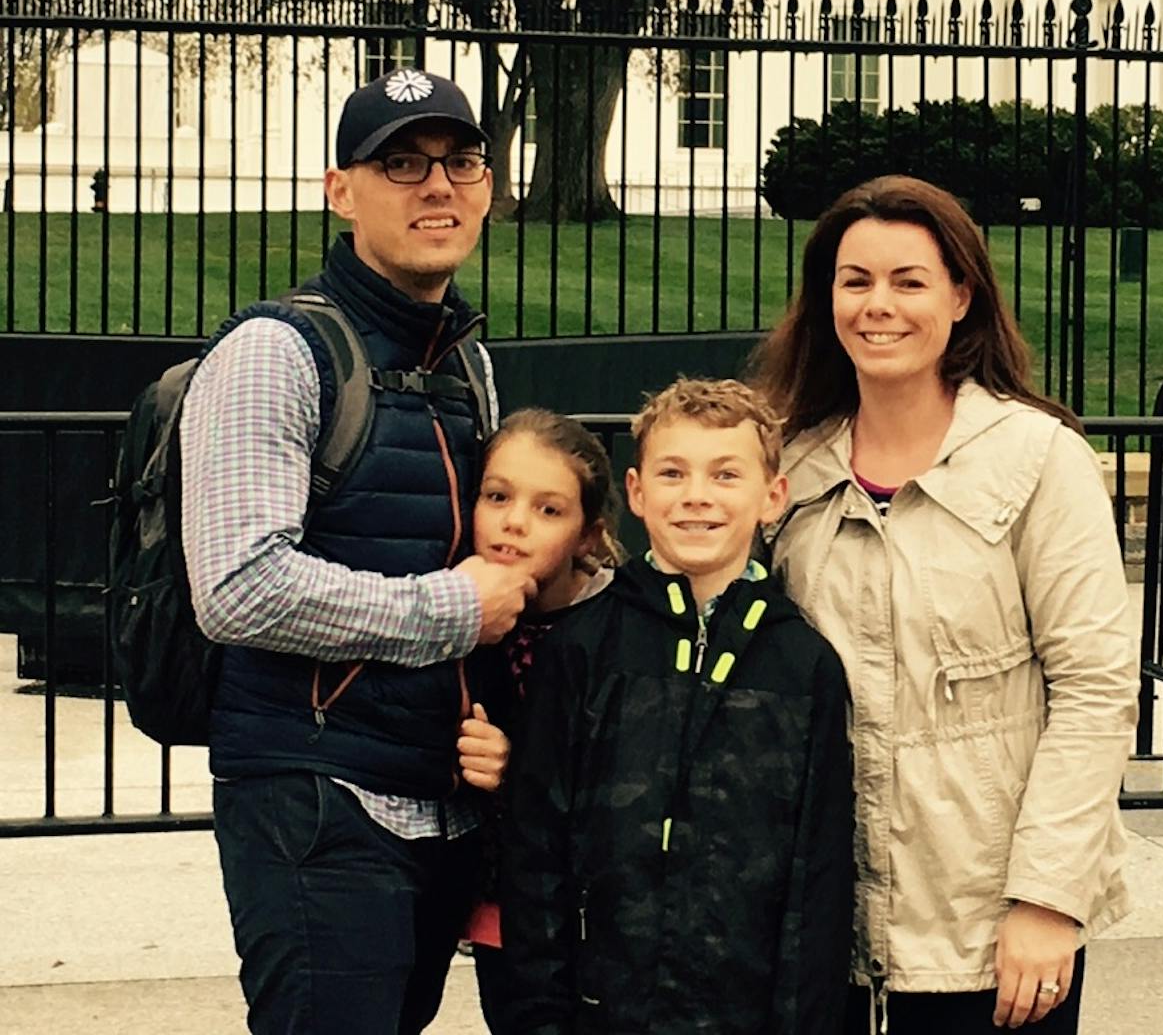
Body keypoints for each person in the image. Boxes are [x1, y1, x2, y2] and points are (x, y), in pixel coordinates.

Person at [179, 68, 538, 1035]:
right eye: (403, 165)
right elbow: (239, 587)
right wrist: (451, 612)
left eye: (462, 162)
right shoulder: (273, 353)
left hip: (438, 802)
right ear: (341, 191)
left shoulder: (467, 361)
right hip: (314, 799)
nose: (439, 188)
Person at [759, 175, 1138, 1033]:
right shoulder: (789, 469)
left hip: (988, 927)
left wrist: (1048, 898)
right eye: (854, 281)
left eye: (909, 281)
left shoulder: (1039, 458)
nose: (877, 305)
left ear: (962, 297)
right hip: (821, 922)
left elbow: (1094, 689)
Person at [499, 377, 855, 1035]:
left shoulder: (804, 666)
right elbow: (534, 853)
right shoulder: (582, 649)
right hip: (602, 1011)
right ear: (636, 492)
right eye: (673, 473)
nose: (697, 496)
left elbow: (821, 875)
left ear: (772, 496)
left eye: (726, 474)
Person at [454, 409, 624, 1031]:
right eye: (497, 496)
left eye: (549, 510)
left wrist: (515, 767)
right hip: (503, 913)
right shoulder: (454, 610)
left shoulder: (614, 631)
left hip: (595, 918)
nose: (514, 523)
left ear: (589, 536)